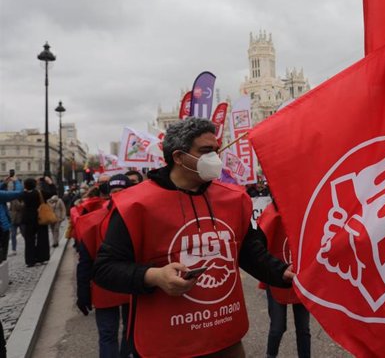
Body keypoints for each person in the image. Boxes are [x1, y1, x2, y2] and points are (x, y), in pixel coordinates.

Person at [93, 117, 294, 358]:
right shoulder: (134, 205)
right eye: (206, 151)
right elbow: (105, 269)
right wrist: (154, 276)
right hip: (166, 342)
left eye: (216, 150)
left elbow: (250, 252)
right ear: (178, 157)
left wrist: (282, 273)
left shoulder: (235, 199)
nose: (215, 158)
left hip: (225, 335)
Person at [76, 174, 133, 358]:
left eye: (121, 191)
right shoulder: (93, 220)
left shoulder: (137, 215)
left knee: (128, 332)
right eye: (114, 191)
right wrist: (83, 291)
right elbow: (85, 261)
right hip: (109, 286)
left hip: (130, 283)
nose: (118, 195)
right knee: (110, 334)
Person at [257, 201, 311, 358]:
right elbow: (258, 246)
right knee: (277, 327)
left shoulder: (305, 212)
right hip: (275, 276)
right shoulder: (271, 213)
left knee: (303, 328)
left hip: (301, 278)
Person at [22, 178, 51, 267]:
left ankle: (30, 260)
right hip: (39, 217)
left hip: (28, 219)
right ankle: (41, 257)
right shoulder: (39, 193)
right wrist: (50, 183)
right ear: (35, 185)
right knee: (42, 237)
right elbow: (52, 193)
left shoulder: (23, 194)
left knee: (29, 240)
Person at [0, 175, 23, 262]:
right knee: (2, 253)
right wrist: (16, 181)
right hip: (1, 226)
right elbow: (18, 192)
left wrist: (4, 183)